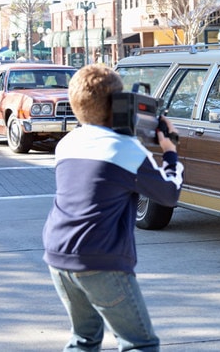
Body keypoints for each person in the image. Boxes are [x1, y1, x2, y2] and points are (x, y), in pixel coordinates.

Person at [42, 64, 184, 351]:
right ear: (119, 105)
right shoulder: (125, 150)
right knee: (140, 344)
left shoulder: (67, 144)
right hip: (100, 260)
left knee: (84, 339)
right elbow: (169, 193)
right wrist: (170, 151)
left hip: (58, 255)